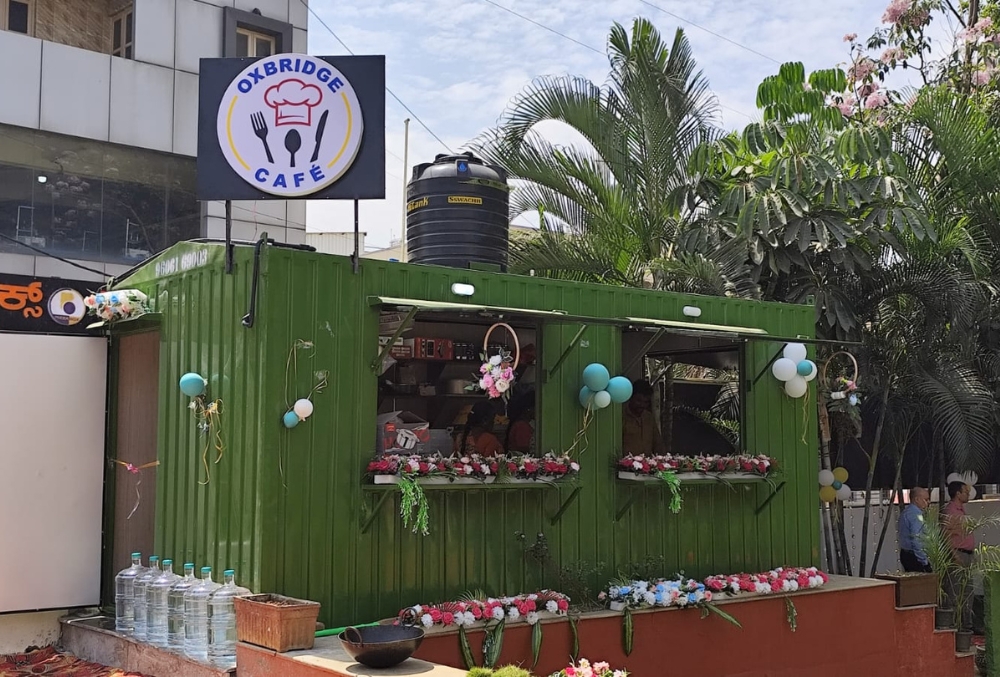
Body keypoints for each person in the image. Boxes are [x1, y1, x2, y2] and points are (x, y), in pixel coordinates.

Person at [944, 481, 975, 631]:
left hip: (967, 554)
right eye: (965, 492)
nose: (968, 494)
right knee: (955, 590)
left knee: (968, 590)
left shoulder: (961, 510)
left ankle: (966, 624)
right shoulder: (950, 511)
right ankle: (954, 625)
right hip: (958, 554)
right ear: (958, 494)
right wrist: (954, 555)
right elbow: (945, 535)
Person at [622, 379, 665, 456]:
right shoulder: (621, 417)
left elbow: (658, 444)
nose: (642, 405)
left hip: (647, 462)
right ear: (631, 397)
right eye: (638, 401)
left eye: (646, 402)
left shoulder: (649, 417)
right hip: (625, 462)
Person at [898, 487, 931, 573]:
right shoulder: (915, 515)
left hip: (907, 553)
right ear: (917, 499)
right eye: (926, 499)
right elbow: (917, 539)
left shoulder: (907, 512)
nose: (928, 502)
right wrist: (924, 561)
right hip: (915, 556)